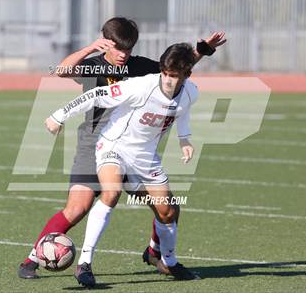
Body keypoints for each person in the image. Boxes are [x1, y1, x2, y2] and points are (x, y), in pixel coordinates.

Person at [17, 17, 226, 280]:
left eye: (128, 49)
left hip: (134, 147)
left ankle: (155, 252)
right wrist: (89, 49)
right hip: (93, 143)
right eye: (117, 49)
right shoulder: (93, 66)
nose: (123, 55)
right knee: (77, 208)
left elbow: (175, 70)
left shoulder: (138, 67)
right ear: (105, 43)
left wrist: (200, 51)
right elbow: (60, 71)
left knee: (168, 207)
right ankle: (32, 258)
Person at [46, 43, 200, 285]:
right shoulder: (140, 86)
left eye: (175, 76)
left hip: (145, 157)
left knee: (168, 210)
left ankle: (169, 262)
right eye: (166, 74)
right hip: (113, 146)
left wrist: (184, 139)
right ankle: (84, 264)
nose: (169, 81)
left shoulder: (191, 91)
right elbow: (95, 95)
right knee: (112, 191)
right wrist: (58, 116)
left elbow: (181, 111)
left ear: (186, 75)